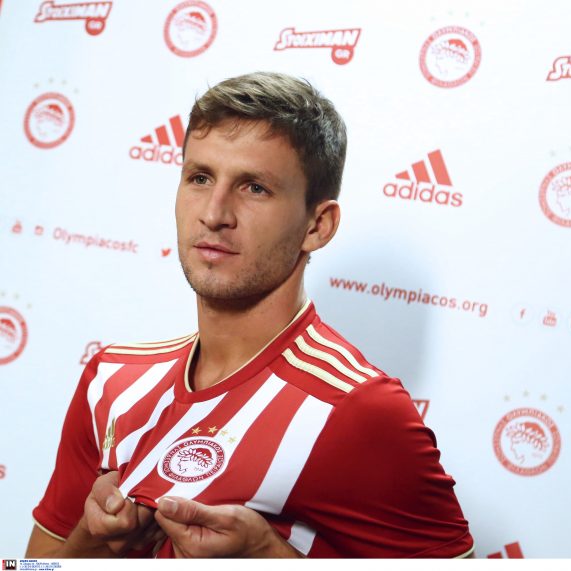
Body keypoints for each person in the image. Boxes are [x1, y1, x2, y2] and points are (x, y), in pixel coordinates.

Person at [26, 72, 475, 558]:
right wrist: (90, 543)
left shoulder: (358, 410)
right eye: (200, 178)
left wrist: (270, 556)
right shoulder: (112, 380)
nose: (214, 213)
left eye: (255, 188)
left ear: (317, 225)